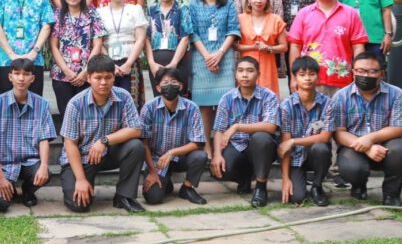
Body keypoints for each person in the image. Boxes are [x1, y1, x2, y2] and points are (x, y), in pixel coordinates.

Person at [59, 55, 145, 213]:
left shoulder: (124, 96)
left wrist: (104, 141)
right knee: (79, 205)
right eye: (98, 78)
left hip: (108, 153)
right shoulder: (76, 104)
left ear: (114, 77)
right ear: (89, 78)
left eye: (108, 77)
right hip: (82, 157)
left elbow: (135, 129)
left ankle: (124, 196)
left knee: (136, 146)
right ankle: (82, 182)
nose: (104, 82)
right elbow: (69, 144)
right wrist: (80, 179)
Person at [330, 52, 402, 206]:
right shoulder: (341, 96)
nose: (365, 75)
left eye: (372, 71)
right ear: (353, 72)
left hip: (386, 146)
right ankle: (358, 186)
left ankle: (391, 194)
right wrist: (366, 147)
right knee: (352, 167)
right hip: (353, 146)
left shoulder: (396, 94)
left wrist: (370, 139)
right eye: (360, 71)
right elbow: (339, 132)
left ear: (382, 74)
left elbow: (399, 127)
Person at [0, 58, 56, 213]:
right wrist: (0, 177)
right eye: (17, 73)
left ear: (33, 78)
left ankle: (27, 190)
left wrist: (44, 166)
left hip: (30, 162)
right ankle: (7, 186)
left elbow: (44, 138)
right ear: (10, 76)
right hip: (5, 164)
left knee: (46, 173)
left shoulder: (42, 104)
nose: (21, 78)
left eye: (26, 74)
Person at [211, 57, 280, 208]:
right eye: (240, 71)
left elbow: (270, 126)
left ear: (258, 74)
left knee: (261, 138)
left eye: (250, 71)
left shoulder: (269, 96)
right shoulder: (227, 98)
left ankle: (261, 187)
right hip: (237, 145)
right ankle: (244, 178)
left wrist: (237, 127)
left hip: (262, 147)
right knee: (220, 169)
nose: (245, 75)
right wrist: (216, 154)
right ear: (235, 74)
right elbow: (219, 130)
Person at [288, 0, 368, 97]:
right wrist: (293, 77)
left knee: (341, 116)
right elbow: (295, 46)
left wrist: (358, 75)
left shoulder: (351, 13)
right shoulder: (303, 14)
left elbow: (358, 47)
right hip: (309, 80)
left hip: (342, 81)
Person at [188, 0, 241, 157]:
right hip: (200, 58)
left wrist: (219, 54)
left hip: (224, 58)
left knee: (222, 105)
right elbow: (192, 32)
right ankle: (207, 148)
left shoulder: (228, 4)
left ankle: (220, 146)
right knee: (203, 106)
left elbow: (233, 30)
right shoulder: (193, 4)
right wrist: (207, 56)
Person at [140, 68, 208, 206]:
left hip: (182, 157)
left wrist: (172, 153)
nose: (169, 86)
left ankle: (187, 188)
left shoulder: (192, 107)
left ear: (181, 86)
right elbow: (143, 143)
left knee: (201, 156)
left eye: (174, 82)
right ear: (158, 88)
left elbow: (198, 142)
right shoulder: (149, 108)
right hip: (157, 160)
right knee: (153, 198)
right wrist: (152, 172)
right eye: (165, 83)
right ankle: (166, 183)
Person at [278, 56, 333, 206]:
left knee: (322, 148)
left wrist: (294, 141)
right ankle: (298, 181)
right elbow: (285, 146)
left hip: (316, 154)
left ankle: (317, 186)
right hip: (295, 158)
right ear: (295, 78)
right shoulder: (286, 106)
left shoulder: (327, 104)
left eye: (311, 74)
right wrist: (285, 178)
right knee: (297, 197)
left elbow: (325, 137)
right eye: (302, 75)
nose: (307, 78)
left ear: (318, 76)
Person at [50, 0, 106, 116]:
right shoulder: (57, 15)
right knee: (66, 114)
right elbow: (53, 45)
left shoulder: (92, 13)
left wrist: (86, 71)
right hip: (61, 75)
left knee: (86, 115)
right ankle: (67, 139)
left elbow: (97, 43)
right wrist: (66, 70)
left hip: (86, 75)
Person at [99, 0, 148, 110]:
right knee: (108, 102)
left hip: (130, 62)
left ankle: (132, 130)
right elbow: (98, 42)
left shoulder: (135, 9)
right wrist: (110, 64)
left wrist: (128, 64)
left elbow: (140, 39)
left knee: (131, 102)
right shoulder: (99, 13)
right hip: (107, 62)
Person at [236, 0, 287, 97]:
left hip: (268, 66)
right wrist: (253, 47)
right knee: (246, 98)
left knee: (268, 98)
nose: (258, 1)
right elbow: (235, 46)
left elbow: (284, 46)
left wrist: (269, 48)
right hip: (246, 66)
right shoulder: (240, 19)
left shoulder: (276, 19)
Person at [145, 0, 193, 92]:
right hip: (155, 63)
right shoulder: (150, 10)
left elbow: (185, 38)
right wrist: (151, 63)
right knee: (159, 99)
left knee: (179, 98)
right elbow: (146, 38)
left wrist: (174, 63)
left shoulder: (182, 9)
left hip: (178, 61)